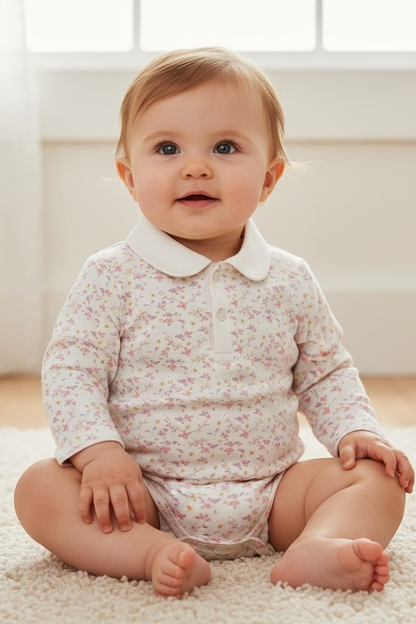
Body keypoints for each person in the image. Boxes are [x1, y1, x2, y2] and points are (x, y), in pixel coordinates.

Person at [14, 47, 414, 600]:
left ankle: (317, 544)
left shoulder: (289, 278)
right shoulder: (111, 275)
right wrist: (100, 454)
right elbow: (71, 372)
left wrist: (356, 431)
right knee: (39, 488)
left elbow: (326, 374)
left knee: (377, 481)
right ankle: (151, 551)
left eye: (225, 147)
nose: (195, 166)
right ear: (130, 177)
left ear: (269, 178)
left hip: (276, 493)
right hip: (144, 493)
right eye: (167, 148)